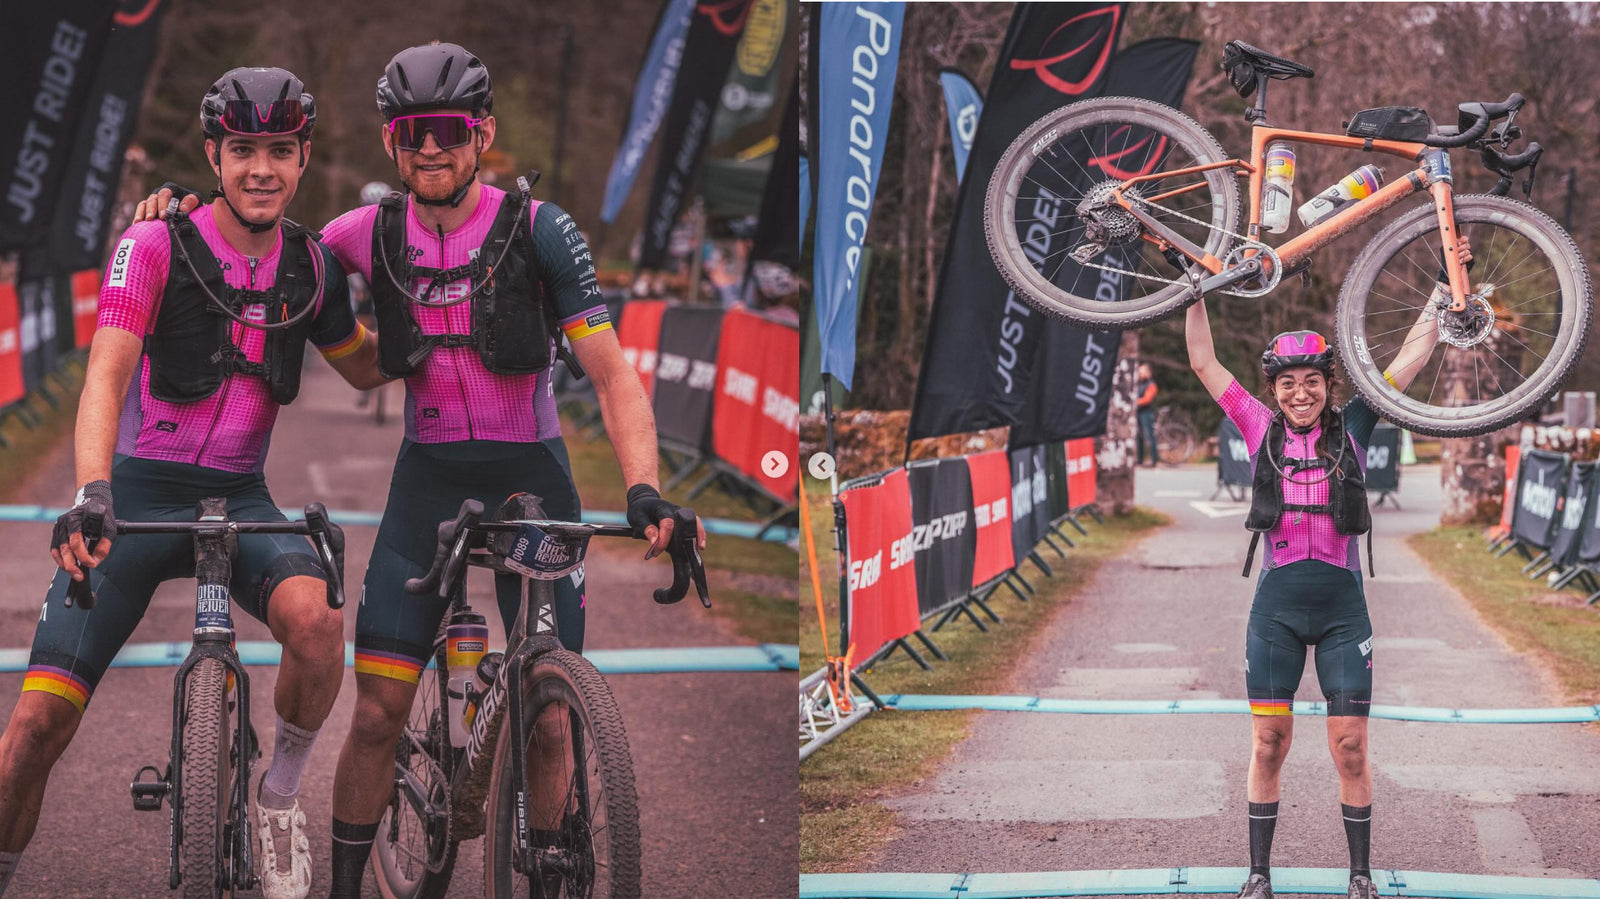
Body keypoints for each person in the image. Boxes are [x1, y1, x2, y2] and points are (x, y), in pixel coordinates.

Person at [138, 41, 700, 899]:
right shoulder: (360, 234)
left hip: (533, 483)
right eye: (409, 134)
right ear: (391, 144)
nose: (428, 148)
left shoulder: (539, 228)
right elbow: (251, 241)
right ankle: (348, 887)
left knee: (550, 717)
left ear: (482, 133)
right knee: (377, 713)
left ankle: (549, 871)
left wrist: (644, 489)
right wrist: (175, 210)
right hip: (425, 488)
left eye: (445, 130)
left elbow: (614, 373)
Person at [0, 67, 384, 899]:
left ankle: (279, 796)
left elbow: (366, 368)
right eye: (242, 148)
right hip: (136, 495)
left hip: (239, 496)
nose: (260, 169)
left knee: (318, 625)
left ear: (303, 157)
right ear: (214, 152)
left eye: (279, 151)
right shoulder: (153, 245)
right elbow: (104, 377)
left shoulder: (312, 268)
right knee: (32, 728)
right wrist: (91, 490)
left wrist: (444, 322)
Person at [1185, 286, 1444, 899]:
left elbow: (1407, 361)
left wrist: (1438, 298)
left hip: (1341, 612)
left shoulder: (1355, 423)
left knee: (1350, 746)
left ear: (1329, 384)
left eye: (1312, 381)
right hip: (1275, 609)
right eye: (1287, 383)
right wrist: (1193, 289)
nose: (1300, 393)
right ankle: (1258, 875)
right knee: (1269, 743)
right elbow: (1203, 361)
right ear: (1273, 389)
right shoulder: (1257, 425)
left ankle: (1360, 876)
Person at [1136, 362, 1160, 466]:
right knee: (1139, 437)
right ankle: (1139, 459)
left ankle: (1154, 459)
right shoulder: (1139, 384)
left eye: (1142, 372)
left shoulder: (1151, 385)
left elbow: (1147, 399)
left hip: (1146, 412)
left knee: (1149, 436)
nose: (1140, 374)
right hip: (1138, 412)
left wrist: (1135, 402)